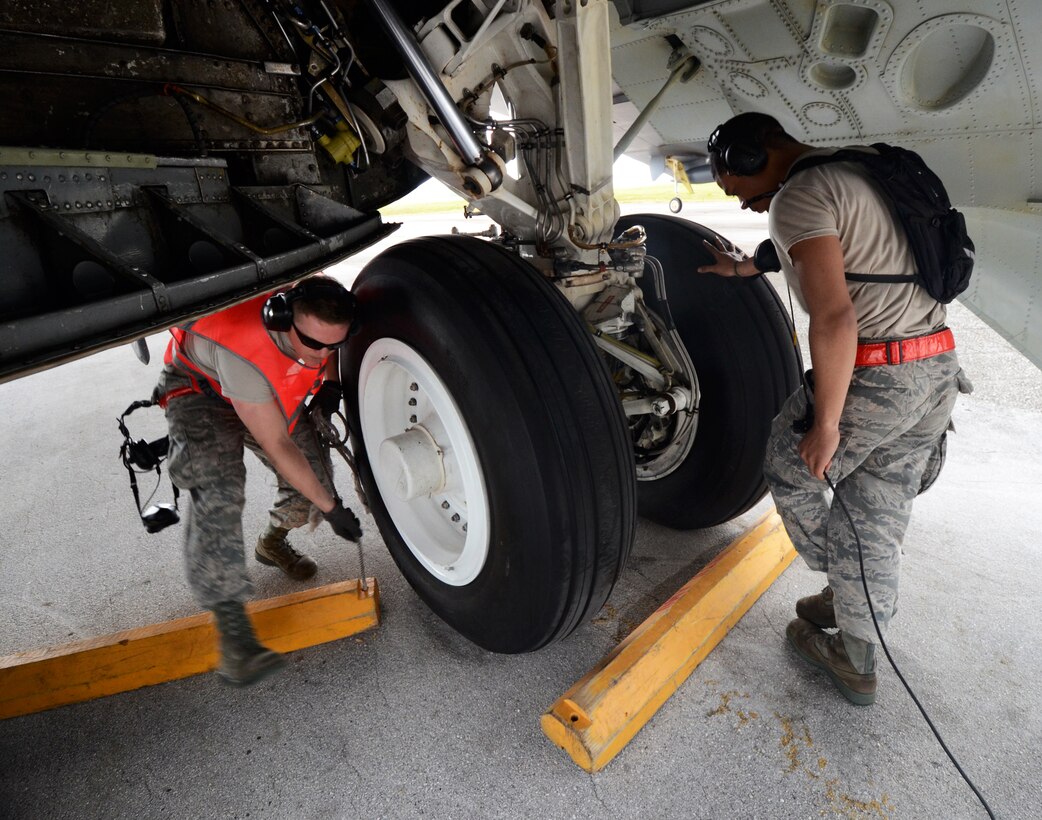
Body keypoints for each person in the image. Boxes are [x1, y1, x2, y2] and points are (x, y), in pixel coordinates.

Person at [699, 112, 971, 705]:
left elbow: (834, 316)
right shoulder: (861, 164)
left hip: (877, 372)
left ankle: (852, 598)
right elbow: (848, 248)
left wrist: (825, 424)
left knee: (792, 462)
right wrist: (747, 266)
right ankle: (857, 605)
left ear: (752, 157)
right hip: (936, 366)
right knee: (878, 500)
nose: (741, 203)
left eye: (733, 185)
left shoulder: (797, 197)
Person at [153, 275, 365, 686]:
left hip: (264, 394)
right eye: (314, 345)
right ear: (283, 319)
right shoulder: (246, 353)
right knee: (218, 493)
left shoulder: (318, 311)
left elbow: (326, 345)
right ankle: (234, 636)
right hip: (202, 391)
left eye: (333, 346)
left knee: (314, 482)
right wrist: (333, 510)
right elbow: (278, 445)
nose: (322, 353)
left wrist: (332, 382)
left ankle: (271, 544)